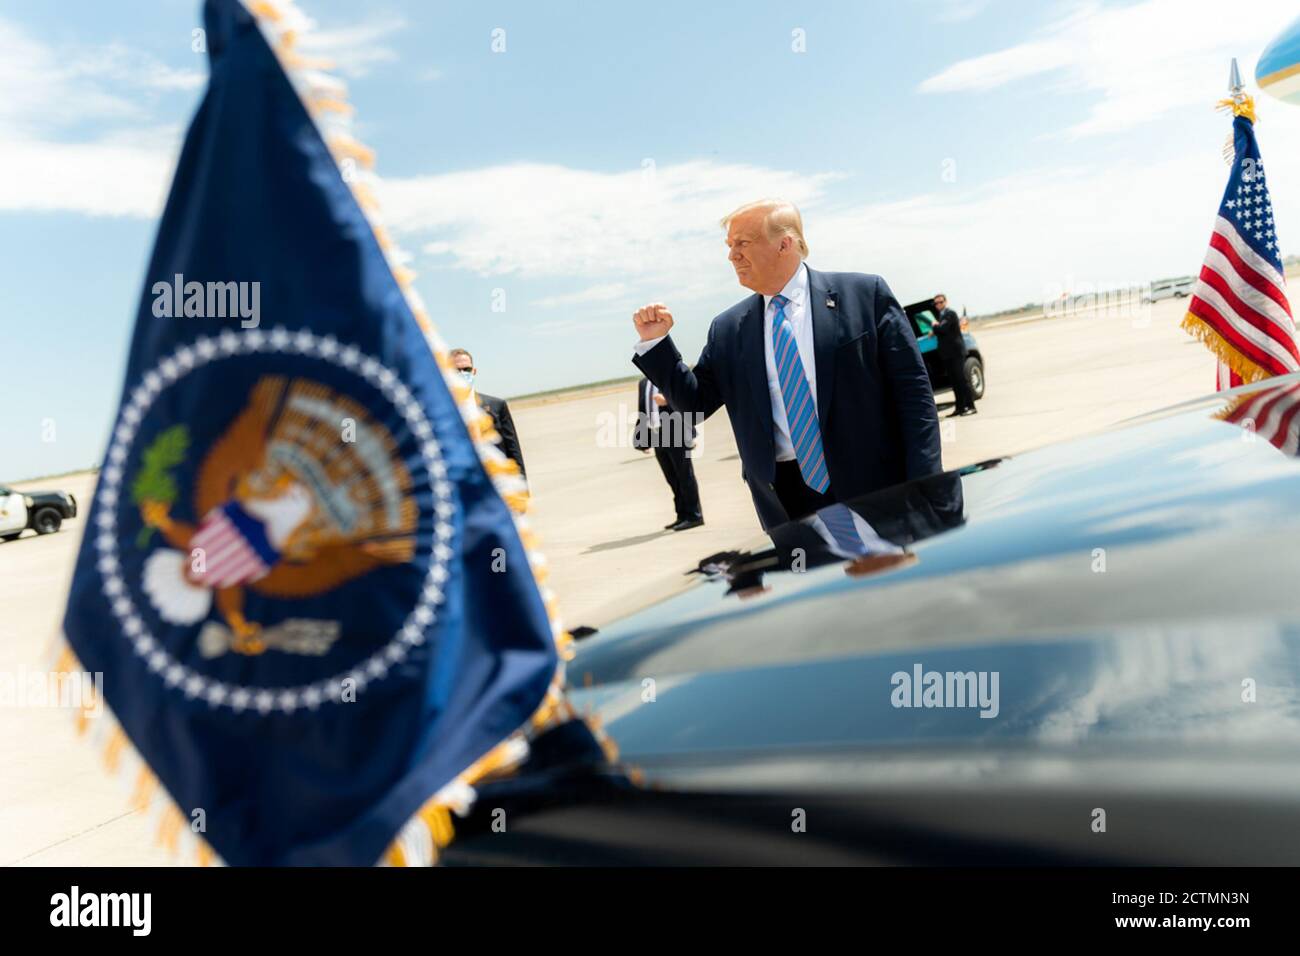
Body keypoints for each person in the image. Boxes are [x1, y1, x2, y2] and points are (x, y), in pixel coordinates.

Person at [631, 198, 942, 529]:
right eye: (729, 245)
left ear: (785, 244)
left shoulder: (865, 295)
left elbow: (915, 399)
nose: (732, 255)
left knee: (884, 580)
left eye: (742, 243)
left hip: (876, 488)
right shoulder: (728, 329)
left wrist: (925, 486)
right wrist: (657, 344)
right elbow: (694, 405)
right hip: (786, 504)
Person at [633, 376, 703, 531]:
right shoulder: (643, 383)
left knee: (685, 475)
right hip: (657, 435)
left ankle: (695, 515)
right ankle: (682, 514)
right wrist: (643, 440)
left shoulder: (667, 378)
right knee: (672, 478)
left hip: (676, 432)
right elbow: (642, 411)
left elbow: (687, 400)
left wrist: (668, 401)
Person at [449, 348, 527, 479]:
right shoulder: (444, 410)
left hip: (499, 478)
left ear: (474, 371)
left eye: (466, 369)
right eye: (456, 371)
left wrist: (522, 481)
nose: (462, 374)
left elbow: (512, 448)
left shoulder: (496, 405)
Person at [931, 294, 976, 417]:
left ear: (945, 301)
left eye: (940, 302)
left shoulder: (950, 313)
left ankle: (971, 406)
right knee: (954, 382)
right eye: (936, 303)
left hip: (956, 353)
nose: (938, 305)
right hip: (948, 354)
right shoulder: (941, 315)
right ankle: (960, 408)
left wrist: (935, 325)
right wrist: (936, 328)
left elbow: (943, 329)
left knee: (962, 380)